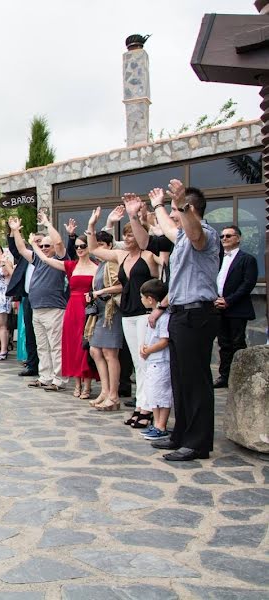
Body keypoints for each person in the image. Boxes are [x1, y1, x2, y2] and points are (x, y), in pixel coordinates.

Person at [131, 183, 221, 461]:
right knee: (180, 380)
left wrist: (175, 204)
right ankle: (181, 434)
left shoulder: (205, 233)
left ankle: (197, 443)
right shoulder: (179, 236)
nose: (172, 215)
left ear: (189, 209)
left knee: (195, 381)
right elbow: (146, 242)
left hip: (197, 314)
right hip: (179, 314)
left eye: (177, 210)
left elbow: (195, 234)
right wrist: (135, 216)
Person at [93, 201, 160, 426]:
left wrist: (146, 219)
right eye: (126, 235)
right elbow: (95, 249)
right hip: (128, 313)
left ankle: (147, 407)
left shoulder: (150, 256)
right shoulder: (121, 256)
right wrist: (100, 225)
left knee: (145, 360)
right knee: (135, 361)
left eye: (132, 235)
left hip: (145, 313)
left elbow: (165, 261)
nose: (129, 239)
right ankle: (142, 404)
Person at [29, 232, 99, 397]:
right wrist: (33, 244)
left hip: (86, 308)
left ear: (89, 247)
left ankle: (86, 385)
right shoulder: (71, 265)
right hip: (72, 308)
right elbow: (46, 260)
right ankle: (76, 383)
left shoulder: (96, 267)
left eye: (83, 246)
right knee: (71, 346)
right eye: (77, 247)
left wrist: (47, 223)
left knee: (83, 347)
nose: (80, 249)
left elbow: (59, 242)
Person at [9, 213, 69, 392]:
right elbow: (21, 249)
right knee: (42, 345)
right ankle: (45, 376)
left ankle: (59, 379)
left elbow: (58, 243)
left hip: (54, 308)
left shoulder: (59, 259)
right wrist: (15, 231)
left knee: (55, 345)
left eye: (46, 246)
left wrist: (47, 224)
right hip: (37, 308)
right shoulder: (37, 260)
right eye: (41, 246)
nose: (43, 248)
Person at [84, 221, 123, 409]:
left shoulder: (113, 262)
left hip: (111, 310)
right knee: (95, 350)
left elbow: (122, 285)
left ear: (108, 246)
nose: (97, 249)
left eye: (101, 245)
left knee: (109, 352)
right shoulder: (101, 264)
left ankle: (113, 395)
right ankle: (105, 391)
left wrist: (100, 292)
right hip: (99, 311)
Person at [213, 225, 258, 388]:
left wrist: (229, 300)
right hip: (217, 307)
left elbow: (248, 284)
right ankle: (224, 376)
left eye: (228, 236)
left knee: (237, 343)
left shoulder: (247, 259)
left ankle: (241, 376)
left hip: (236, 308)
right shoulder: (217, 258)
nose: (224, 239)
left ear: (238, 238)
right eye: (222, 236)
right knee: (223, 344)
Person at [138, 279, 173, 440]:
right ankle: (156, 423)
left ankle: (161, 425)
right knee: (153, 392)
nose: (141, 300)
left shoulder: (164, 317)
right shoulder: (151, 317)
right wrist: (144, 348)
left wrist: (149, 350)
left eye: (142, 297)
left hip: (161, 361)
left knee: (162, 393)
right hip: (152, 360)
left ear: (150, 299)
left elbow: (164, 340)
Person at [7, 229, 42, 377]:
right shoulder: (27, 257)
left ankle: (47, 366)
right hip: (27, 298)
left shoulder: (49, 259)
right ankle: (32, 365)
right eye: (36, 241)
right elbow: (15, 249)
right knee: (30, 332)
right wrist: (13, 231)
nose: (39, 245)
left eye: (41, 242)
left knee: (44, 335)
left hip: (43, 299)